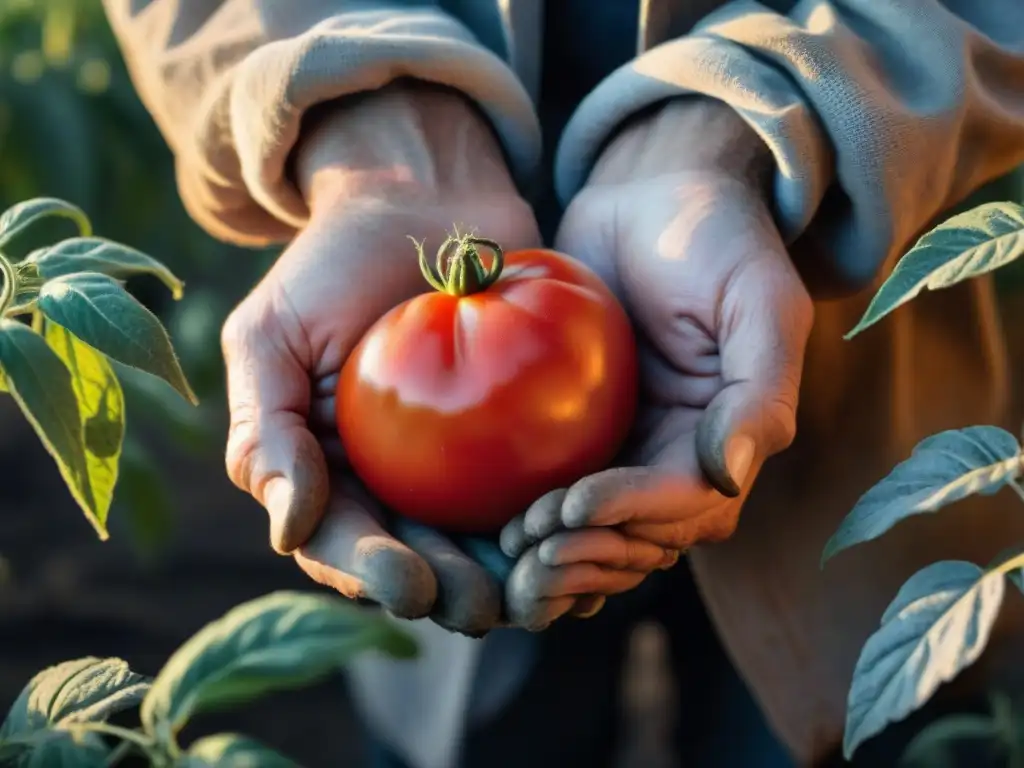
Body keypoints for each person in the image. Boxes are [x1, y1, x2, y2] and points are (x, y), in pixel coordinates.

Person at [103, 1, 1024, 766]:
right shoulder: (505, 310)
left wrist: (758, 113)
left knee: (864, 719)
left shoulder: (438, 335)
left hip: (864, 398)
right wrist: (367, 124)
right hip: (504, 408)